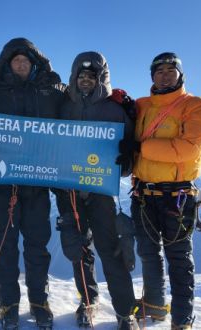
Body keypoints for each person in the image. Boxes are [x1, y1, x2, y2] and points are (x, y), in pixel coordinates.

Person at [0, 37, 65, 329]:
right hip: (4, 184)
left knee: (37, 245)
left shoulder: (50, 91)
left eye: (26, 62)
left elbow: (76, 99)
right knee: (5, 247)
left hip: (38, 184)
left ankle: (39, 302)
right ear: (6, 64)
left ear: (35, 65)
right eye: (16, 61)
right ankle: (8, 306)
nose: (21, 65)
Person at [129, 52, 201, 330]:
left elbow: (189, 148)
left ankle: (182, 319)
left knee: (178, 259)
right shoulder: (140, 105)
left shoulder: (196, 106)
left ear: (180, 75)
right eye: (159, 71)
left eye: (171, 70)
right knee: (148, 253)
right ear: (152, 76)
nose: (165, 75)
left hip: (177, 197)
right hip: (143, 195)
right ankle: (154, 305)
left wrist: (140, 148)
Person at [53, 51, 139, 330]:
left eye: (92, 76)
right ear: (74, 78)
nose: (86, 80)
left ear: (101, 78)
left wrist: (126, 161)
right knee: (77, 249)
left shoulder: (116, 108)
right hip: (69, 190)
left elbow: (128, 158)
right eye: (81, 76)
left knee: (109, 247)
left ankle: (126, 311)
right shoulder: (63, 105)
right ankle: (88, 300)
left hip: (101, 191)